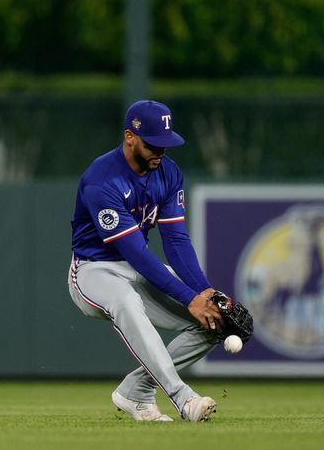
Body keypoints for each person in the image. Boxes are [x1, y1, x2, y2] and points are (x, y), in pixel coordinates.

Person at [68, 100, 225, 422]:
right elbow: (136, 253)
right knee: (126, 300)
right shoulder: (102, 179)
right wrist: (189, 297)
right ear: (129, 137)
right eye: (153, 144)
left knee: (213, 321)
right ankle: (184, 398)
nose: (160, 152)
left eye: (165, 144)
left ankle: (135, 391)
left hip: (134, 268)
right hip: (93, 269)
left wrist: (205, 293)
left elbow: (176, 241)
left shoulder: (168, 173)